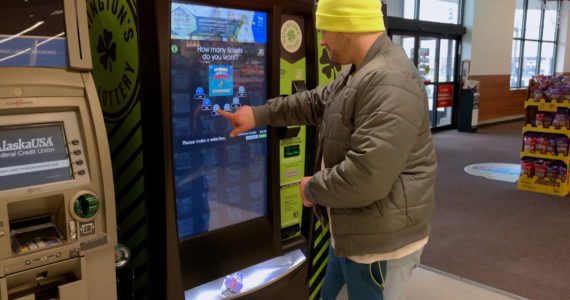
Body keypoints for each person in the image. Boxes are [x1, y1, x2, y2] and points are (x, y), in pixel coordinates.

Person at [219, 0, 436, 299]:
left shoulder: (389, 80)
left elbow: (366, 176)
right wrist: (258, 115)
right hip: (353, 234)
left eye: (325, 31)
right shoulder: (360, 71)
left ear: (348, 26)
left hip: (380, 247)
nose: (321, 41)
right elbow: (314, 102)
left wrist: (313, 189)